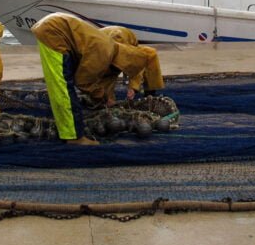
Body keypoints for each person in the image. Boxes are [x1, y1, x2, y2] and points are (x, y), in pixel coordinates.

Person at [30, 13, 166, 146]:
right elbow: (83, 82)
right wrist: (102, 97)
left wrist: (127, 89)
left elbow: (101, 75)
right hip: (54, 32)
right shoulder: (104, 53)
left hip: (55, 27)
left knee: (64, 85)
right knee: (63, 88)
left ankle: (70, 131)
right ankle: (74, 137)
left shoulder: (115, 50)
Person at [100, 25, 165, 99]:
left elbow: (137, 64)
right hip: (107, 47)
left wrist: (133, 88)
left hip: (119, 42)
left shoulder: (122, 45)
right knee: (106, 76)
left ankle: (150, 92)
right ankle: (105, 97)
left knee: (150, 54)